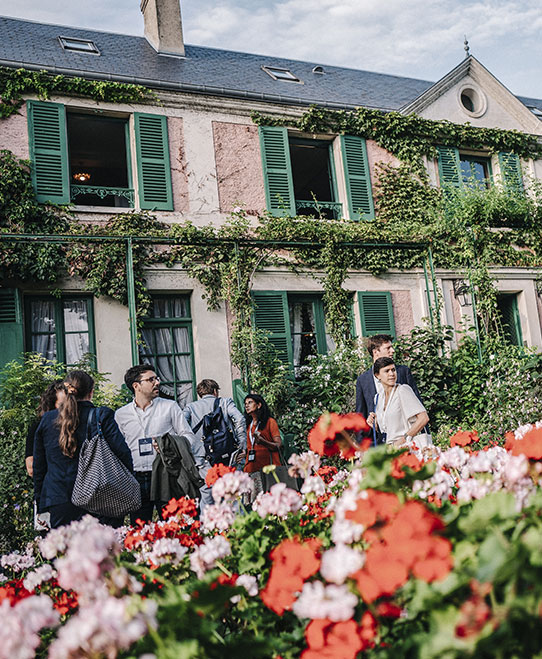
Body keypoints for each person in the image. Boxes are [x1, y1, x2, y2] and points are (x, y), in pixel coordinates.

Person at [33, 370, 133, 529]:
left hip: (58, 498)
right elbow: (123, 453)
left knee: (64, 551)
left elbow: (39, 468)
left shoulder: (47, 419)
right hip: (99, 496)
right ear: (91, 392)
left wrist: (41, 503)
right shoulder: (102, 416)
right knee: (100, 551)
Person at [115, 364, 201, 524]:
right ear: (136, 386)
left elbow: (189, 437)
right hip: (136, 477)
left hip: (165, 474)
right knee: (139, 528)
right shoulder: (121, 415)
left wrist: (169, 445)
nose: (157, 382)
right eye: (151, 379)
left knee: (172, 525)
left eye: (157, 378)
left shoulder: (169, 407)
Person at [183, 379, 246, 510]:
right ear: (215, 391)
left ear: (200, 394)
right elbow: (239, 419)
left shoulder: (190, 407)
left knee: (207, 498)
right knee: (233, 497)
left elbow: (182, 429)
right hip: (228, 456)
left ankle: (208, 528)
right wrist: (241, 447)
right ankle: (235, 528)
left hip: (202, 459)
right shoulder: (225, 402)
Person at [356, 334, 423, 442]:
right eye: (387, 348)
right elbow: (360, 414)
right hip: (379, 443)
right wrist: (361, 447)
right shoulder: (363, 380)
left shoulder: (403, 372)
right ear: (375, 352)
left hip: (407, 441)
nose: (392, 350)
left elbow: (419, 409)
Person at [367, 357, 429, 448]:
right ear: (377, 375)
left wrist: (404, 439)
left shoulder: (402, 390)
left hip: (408, 448)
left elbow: (424, 418)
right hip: (391, 450)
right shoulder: (378, 398)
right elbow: (389, 427)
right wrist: (375, 423)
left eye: (393, 370)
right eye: (387, 371)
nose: (391, 374)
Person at [25, 380, 66, 478]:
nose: (67, 409)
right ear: (52, 405)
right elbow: (31, 469)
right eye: (62, 405)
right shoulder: (38, 426)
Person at [243, 394, 281, 474]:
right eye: (245, 404)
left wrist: (263, 442)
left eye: (250, 402)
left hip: (269, 469)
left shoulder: (270, 422)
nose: (247, 406)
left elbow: (278, 445)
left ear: (259, 405)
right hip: (251, 469)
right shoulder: (248, 425)